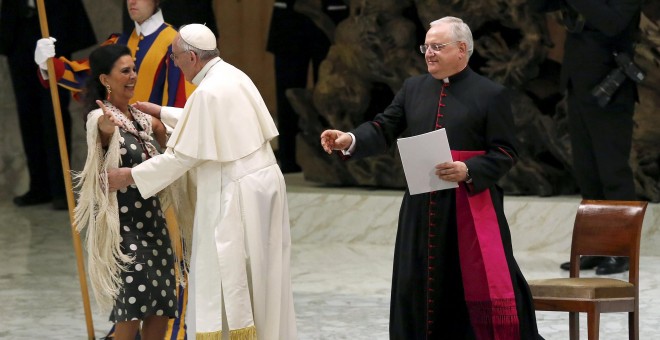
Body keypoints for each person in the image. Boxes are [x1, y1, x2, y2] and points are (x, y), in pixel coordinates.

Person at [321, 17, 542, 339]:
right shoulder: (413, 88)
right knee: (417, 280)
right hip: (421, 208)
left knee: (463, 280)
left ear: (462, 49)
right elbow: (384, 127)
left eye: (438, 47)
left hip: (469, 206)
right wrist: (350, 140)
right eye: (426, 46)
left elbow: (506, 151)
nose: (429, 53)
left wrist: (470, 170)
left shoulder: (491, 94)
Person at [106, 24, 298, 339]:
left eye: (177, 59)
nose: (176, 66)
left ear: (193, 57)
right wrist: (162, 111)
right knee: (265, 277)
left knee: (233, 277)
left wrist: (128, 176)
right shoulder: (233, 76)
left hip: (238, 192)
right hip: (264, 184)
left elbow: (182, 157)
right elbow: (212, 121)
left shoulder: (208, 91)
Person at [529, 0, 642, 275]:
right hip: (578, 83)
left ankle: (620, 251)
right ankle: (595, 247)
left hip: (610, 88)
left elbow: (612, 24)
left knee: (612, 172)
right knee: (587, 172)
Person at [73, 44, 178, 340]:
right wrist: (109, 121)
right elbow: (102, 129)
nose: (132, 76)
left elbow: (169, 140)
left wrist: (161, 129)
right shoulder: (99, 118)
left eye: (134, 69)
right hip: (125, 232)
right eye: (125, 71)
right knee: (131, 308)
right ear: (106, 79)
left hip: (155, 226)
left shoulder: (141, 118)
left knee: (160, 307)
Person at [0, 0, 96, 209]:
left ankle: (59, 189)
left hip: (52, 33)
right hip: (18, 35)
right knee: (27, 114)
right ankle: (39, 187)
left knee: (53, 114)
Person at [34, 0, 192, 109]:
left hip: (158, 147)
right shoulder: (118, 42)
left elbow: (180, 103)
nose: (132, 2)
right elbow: (86, 77)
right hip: (118, 145)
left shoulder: (175, 43)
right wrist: (46, 63)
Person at [266, 0, 349, 173]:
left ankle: (334, 157)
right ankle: (289, 156)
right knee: (288, 93)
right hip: (289, 15)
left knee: (331, 92)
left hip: (333, 11)